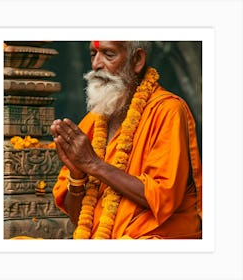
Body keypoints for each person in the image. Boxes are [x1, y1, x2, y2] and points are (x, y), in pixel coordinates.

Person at [51, 41, 202, 239]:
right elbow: (76, 217)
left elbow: (162, 197)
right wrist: (77, 174)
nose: (97, 63)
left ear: (137, 60)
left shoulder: (168, 111)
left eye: (108, 54)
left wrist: (93, 164)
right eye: (93, 53)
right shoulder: (92, 122)